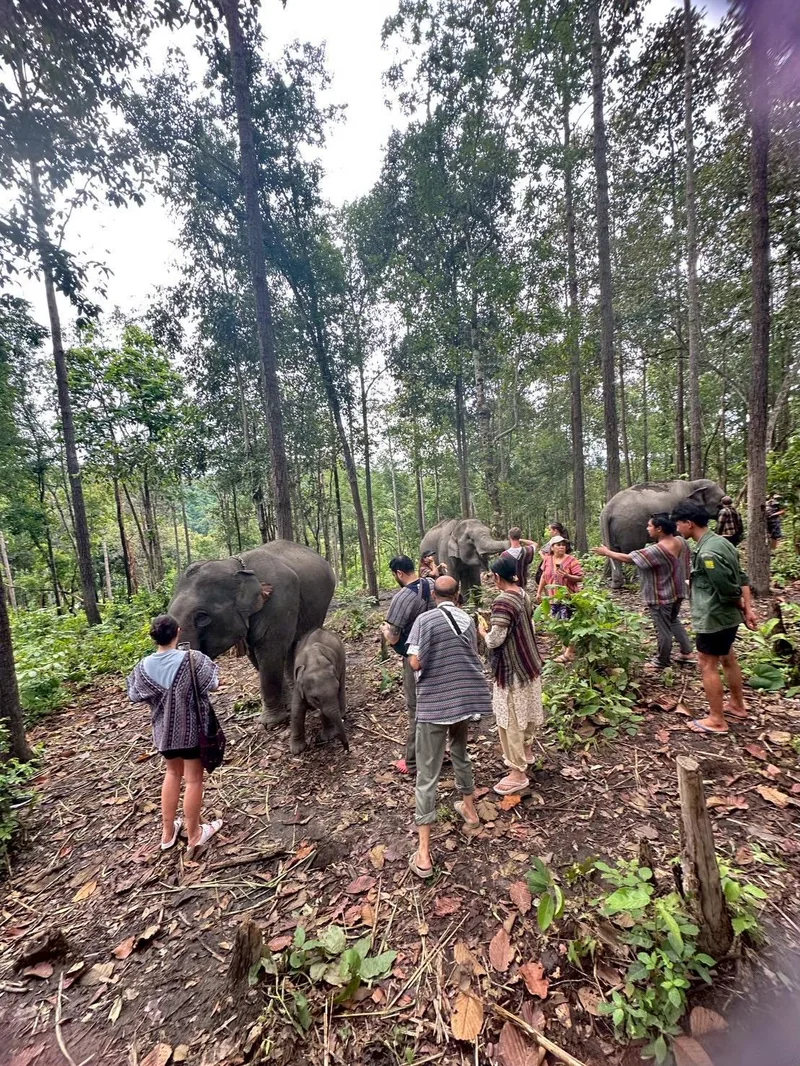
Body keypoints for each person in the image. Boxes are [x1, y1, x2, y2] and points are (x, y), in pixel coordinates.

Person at [405, 575, 491, 877]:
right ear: (457, 594)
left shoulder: (425, 620)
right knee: (460, 753)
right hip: (464, 699)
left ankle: (425, 854)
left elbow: (415, 662)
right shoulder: (467, 619)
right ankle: (470, 811)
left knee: (427, 775)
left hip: (435, 703)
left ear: (433, 596)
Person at [127, 614, 223, 856]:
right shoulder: (194, 659)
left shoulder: (143, 666)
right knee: (193, 780)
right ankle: (194, 835)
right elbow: (213, 683)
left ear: (154, 637)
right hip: (193, 732)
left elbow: (134, 695)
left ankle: (167, 835)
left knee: (171, 774)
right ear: (178, 632)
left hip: (164, 734)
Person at [670, 502, 758, 734]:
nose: (677, 528)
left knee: (707, 663)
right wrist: (748, 609)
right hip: (727, 618)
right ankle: (737, 705)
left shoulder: (708, 552)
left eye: (679, 523)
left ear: (689, 523)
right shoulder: (722, 542)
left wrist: (742, 606)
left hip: (715, 616)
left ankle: (717, 719)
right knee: (728, 657)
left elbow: (729, 589)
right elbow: (741, 576)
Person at [592, 513, 695, 669]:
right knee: (673, 620)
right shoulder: (680, 541)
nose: (647, 529)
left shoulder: (657, 550)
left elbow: (629, 559)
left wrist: (607, 552)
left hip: (661, 594)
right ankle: (687, 652)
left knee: (662, 628)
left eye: (649, 526)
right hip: (678, 591)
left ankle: (662, 660)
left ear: (659, 529)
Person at [478, 556, 544, 796]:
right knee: (526, 710)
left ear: (497, 577)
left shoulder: (503, 601)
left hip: (512, 669)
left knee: (511, 718)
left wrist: (483, 632)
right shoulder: (523, 594)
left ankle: (518, 772)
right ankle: (526, 752)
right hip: (529, 663)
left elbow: (496, 639)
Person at [381, 555, 435, 774]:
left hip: (415, 657)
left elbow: (394, 635)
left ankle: (412, 761)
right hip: (438, 651)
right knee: (436, 703)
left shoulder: (403, 597)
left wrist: (385, 632)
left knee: (416, 708)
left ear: (399, 574)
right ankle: (439, 749)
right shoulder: (432, 584)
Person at [537, 535, 583, 662]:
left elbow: (580, 577)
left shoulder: (571, 560)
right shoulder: (547, 560)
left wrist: (567, 576)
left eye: (563, 544)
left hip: (568, 598)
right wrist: (539, 592)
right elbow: (543, 576)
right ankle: (565, 647)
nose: (562, 546)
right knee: (558, 623)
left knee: (568, 623)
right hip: (553, 597)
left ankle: (569, 652)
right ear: (552, 547)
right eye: (558, 544)